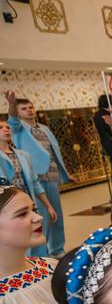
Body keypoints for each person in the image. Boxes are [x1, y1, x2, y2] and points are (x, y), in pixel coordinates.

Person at [5, 92, 72, 257]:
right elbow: (12, 120)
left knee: (56, 215)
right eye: (23, 109)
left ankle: (57, 250)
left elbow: (54, 152)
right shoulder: (18, 128)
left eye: (30, 107)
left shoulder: (44, 128)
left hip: (52, 175)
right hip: (35, 178)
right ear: (18, 113)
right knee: (41, 217)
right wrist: (12, 105)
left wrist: (65, 173)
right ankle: (42, 253)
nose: (29, 110)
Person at [0, 123, 56, 260]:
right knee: (20, 242)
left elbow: (35, 182)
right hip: (10, 208)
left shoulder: (23, 155)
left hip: (30, 203)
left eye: (7, 127)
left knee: (37, 237)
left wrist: (48, 206)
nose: (5, 130)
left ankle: (42, 265)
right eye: (0, 128)